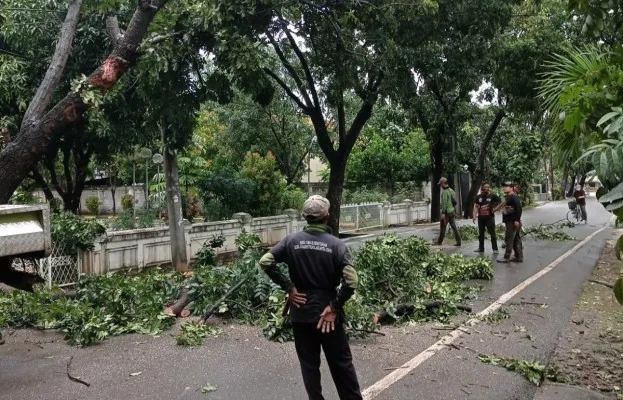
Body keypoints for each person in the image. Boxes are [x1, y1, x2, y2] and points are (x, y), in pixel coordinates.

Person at [258, 195, 362, 400]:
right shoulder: (336, 245)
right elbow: (352, 281)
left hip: (301, 313)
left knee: (309, 366)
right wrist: (334, 307)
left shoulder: (291, 241)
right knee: (341, 365)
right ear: (327, 216)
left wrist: (289, 287)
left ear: (305, 217)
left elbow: (265, 261)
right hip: (327, 317)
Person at [495, 183, 523, 263]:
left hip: (512, 221)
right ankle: (518, 257)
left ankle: (506, 257)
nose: (504, 188)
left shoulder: (513, 196)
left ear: (511, 188)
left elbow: (519, 209)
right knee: (515, 239)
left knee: (509, 239)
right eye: (503, 186)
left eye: (506, 187)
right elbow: (504, 206)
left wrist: (517, 220)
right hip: (511, 221)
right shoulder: (509, 197)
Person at [472, 183, 501, 253]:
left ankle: (495, 249)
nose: (486, 188)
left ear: (489, 188)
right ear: (482, 188)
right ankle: (481, 248)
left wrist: (495, 209)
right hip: (481, 218)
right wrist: (474, 216)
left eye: (488, 187)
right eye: (485, 187)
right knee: (481, 234)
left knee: (492, 233)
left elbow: (501, 202)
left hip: (490, 218)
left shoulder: (493, 196)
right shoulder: (478, 197)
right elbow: (476, 206)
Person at [436, 177, 462, 246]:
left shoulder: (445, 192)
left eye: (441, 184)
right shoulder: (452, 191)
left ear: (443, 183)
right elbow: (454, 202)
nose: (440, 186)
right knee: (454, 227)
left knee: (443, 228)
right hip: (452, 211)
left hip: (447, 212)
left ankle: (439, 242)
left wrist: (443, 213)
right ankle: (459, 241)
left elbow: (445, 203)